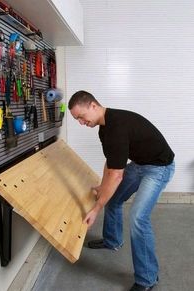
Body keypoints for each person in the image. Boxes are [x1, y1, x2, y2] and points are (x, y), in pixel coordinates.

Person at [68, 90, 175, 291]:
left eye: (81, 117)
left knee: (137, 218)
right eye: (77, 120)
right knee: (112, 197)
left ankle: (147, 279)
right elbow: (111, 162)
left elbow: (117, 175)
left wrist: (96, 208)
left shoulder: (117, 125)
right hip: (141, 164)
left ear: (93, 106)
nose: (81, 123)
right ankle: (112, 240)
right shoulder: (104, 128)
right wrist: (102, 186)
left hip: (159, 168)